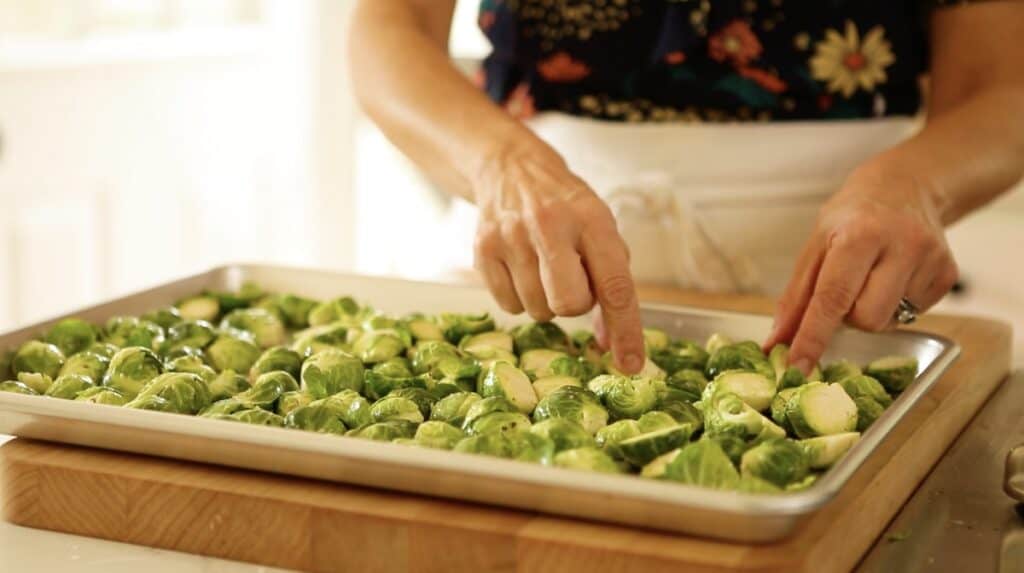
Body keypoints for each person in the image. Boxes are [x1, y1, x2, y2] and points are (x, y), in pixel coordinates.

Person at [349, 0, 1024, 375]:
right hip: (537, 240)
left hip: (843, 275)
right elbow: (388, 28)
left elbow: (1001, 90)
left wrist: (915, 187)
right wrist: (500, 165)